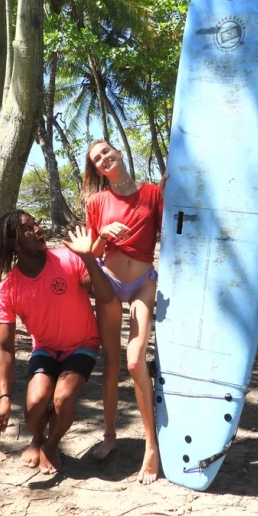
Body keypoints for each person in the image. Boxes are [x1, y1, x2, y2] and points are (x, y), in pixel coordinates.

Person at [0, 210, 114, 475]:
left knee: (63, 397)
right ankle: (37, 438)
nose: (38, 229)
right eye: (28, 227)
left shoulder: (67, 258)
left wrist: (88, 257)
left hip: (83, 343)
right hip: (45, 348)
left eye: (36, 223)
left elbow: (105, 295)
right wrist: (4, 399)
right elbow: (4, 347)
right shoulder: (7, 289)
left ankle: (51, 444)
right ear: (12, 242)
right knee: (34, 403)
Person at [82, 140, 166, 485]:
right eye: (97, 159)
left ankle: (151, 446)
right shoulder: (97, 202)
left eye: (106, 151)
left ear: (117, 152)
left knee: (135, 362)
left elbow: (171, 232)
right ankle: (110, 435)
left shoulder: (152, 194)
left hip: (144, 283)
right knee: (112, 363)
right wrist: (103, 234)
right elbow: (90, 252)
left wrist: (169, 191)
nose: (104, 158)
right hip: (110, 283)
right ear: (97, 170)